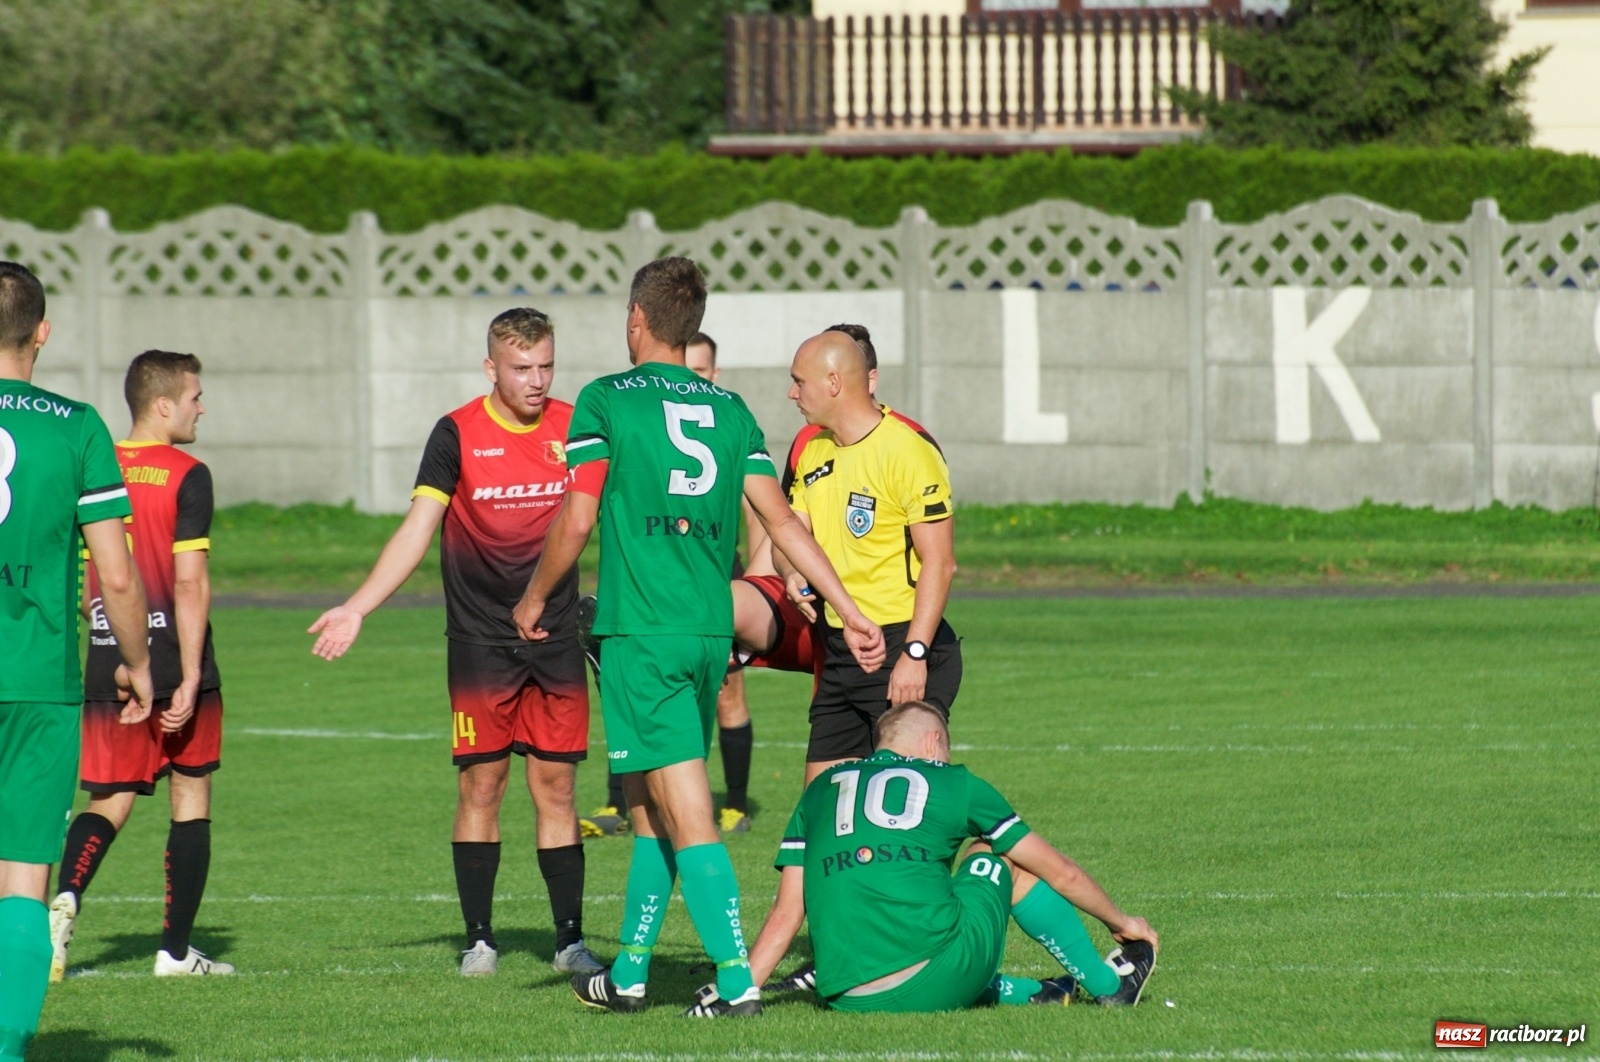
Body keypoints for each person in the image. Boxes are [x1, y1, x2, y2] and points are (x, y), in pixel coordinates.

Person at [512, 256, 885, 1017]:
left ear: (636, 321)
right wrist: (846, 604)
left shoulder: (605, 400)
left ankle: (737, 980)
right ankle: (633, 973)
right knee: (651, 804)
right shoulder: (731, 410)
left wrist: (534, 595)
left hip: (641, 632)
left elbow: (578, 519)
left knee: (683, 810)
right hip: (711, 632)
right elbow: (781, 522)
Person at [308, 308, 602, 978]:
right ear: (491, 367)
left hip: (554, 641)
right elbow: (418, 529)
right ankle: (479, 941)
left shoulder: (576, 426)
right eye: (522, 368)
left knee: (556, 788)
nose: (536, 380)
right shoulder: (457, 433)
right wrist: (357, 608)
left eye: (546, 366)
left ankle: (569, 942)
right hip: (479, 644)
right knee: (483, 785)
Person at [745, 700, 1159, 1012]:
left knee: (932, 902)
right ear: (933, 741)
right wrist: (1123, 923)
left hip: (845, 997)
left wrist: (740, 993)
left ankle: (1034, 992)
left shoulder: (819, 790)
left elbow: (786, 913)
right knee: (996, 854)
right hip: (934, 978)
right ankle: (1110, 986)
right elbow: (1062, 873)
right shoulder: (955, 782)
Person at [0, 261, 154, 1062]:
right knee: (23, 875)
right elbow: (117, 574)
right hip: (38, 681)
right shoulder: (77, 425)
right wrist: (138, 663)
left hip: (36, 683)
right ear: (43, 332)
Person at [51, 351, 231, 981]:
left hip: (109, 653)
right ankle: (175, 952)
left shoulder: (92, 466)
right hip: (176, 659)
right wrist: (185, 673)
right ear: (163, 405)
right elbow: (189, 584)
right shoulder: (189, 473)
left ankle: (66, 900)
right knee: (191, 793)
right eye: (194, 397)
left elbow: (82, 581)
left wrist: (107, 636)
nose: (200, 407)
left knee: (110, 797)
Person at [587, 331, 758, 836]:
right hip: (655, 574)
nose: (693, 381)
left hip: (709, 572)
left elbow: (761, 511)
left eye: (703, 373)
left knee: (723, 693)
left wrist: (757, 582)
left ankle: (735, 803)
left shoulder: (720, 417)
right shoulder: (654, 417)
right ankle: (622, 803)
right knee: (636, 694)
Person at [781, 331, 961, 787]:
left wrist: (914, 654)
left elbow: (940, 563)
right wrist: (791, 573)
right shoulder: (813, 451)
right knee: (820, 815)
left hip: (901, 647)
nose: (792, 393)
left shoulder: (908, 450)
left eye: (800, 382)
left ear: (835, 382)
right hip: (841, 653)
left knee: (907, 813)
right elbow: (790, 536)